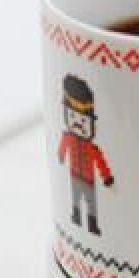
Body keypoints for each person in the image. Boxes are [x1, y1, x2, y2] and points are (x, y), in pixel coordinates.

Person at [57, 74, 114, 236]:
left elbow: (101, 162)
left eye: (83, 121)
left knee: (91, 204)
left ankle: (92, 224)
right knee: (75, 199)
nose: (78, 124)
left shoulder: (92, 148)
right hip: (74, 176)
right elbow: (63, 148)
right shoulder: (68, 138)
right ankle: (76, 216)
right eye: (72, 116)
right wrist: (61, 156)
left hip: (89, 180)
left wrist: (107, 177)